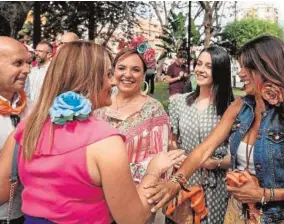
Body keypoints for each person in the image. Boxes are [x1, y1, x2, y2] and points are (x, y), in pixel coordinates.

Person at [0, 41, 184, 224]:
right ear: (89, 79)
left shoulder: (26, 128)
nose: (113, 81)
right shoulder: (106, 142)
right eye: (109, 74)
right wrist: (153, 170)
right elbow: (132, 219)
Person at [146, 35, 284, 223]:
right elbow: (204, 149)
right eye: (240, 67)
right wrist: (176, 182)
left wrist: (263, 194)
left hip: (277, 218)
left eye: (248, 68)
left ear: (268, 68)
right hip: (235, 215)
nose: (240, 74)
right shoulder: (240, 106)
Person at [95, 36, 169, 223]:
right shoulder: (98, 102)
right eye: (121, 68)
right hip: (94, 200)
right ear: (112, 72)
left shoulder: (154, 109)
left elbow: (160, 162)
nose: (127, 74)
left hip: (134, 202)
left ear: (144, 75)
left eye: (135, 70)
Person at [166, 46, 234, 224]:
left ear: (220, 71)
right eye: (199, 63)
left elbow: (236, 155)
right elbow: (172, 142)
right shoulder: (179, 102)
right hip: (184, 181)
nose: (200, 69)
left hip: (215, 187)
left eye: (209, 66)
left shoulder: (230, 109)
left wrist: (216, 163)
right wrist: (177, 157)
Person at [0, 36, 32, 224]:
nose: (27, 70)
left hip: (25, 212)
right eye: (18, 63)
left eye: (28, 63)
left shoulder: (30, 107)